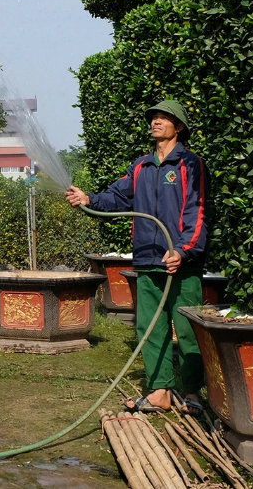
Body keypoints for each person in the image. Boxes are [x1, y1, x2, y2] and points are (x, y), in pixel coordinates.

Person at [65, 100, 207, 414]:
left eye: (163, 118)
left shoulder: (190, 164)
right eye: (154, 117)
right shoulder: (141, 166)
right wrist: (89, 199)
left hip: (182, 265)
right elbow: (117, 197)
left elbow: (197, 214)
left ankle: (193, 393)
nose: (155, 121)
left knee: (187, 331)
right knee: (150, 328)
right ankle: (159, 391)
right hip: (146, 259)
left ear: (178, 127)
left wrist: (183, 251)